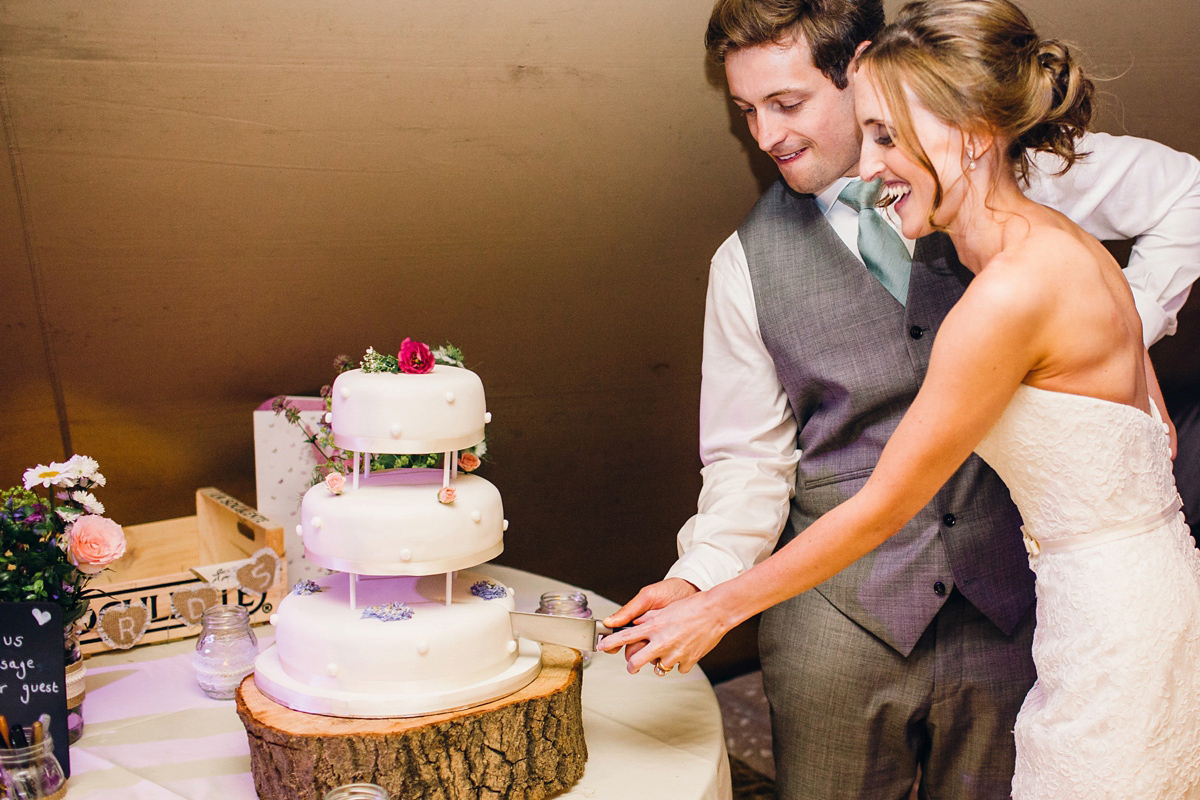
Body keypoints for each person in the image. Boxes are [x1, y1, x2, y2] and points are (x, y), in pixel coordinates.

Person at [599, 0, 1200, 797]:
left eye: (787, 104)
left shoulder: (1021, 180)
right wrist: (703, 580)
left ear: (859, 73)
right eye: (746, 111)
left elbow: (1181, 197)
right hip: (843, 623)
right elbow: (749, 461)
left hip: (1021, 615)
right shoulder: (744, 264)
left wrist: (1123, 328)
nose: (767, 135)